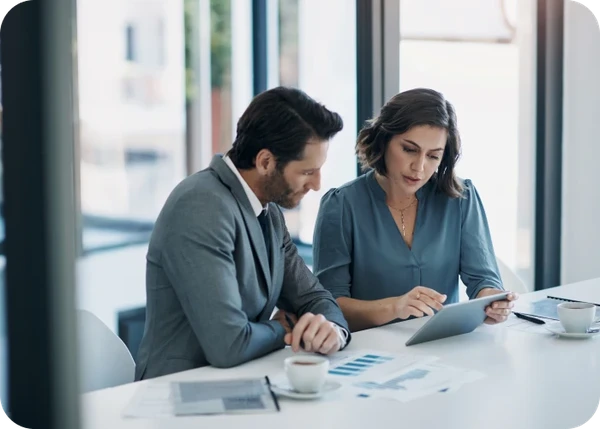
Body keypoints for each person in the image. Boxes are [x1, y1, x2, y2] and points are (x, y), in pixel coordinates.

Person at [135, 86, 351, 381]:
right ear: (265, 162)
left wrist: (330, 330)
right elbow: (229, 344)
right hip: (179, 393)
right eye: (306, 172)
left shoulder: (268, 210)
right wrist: (286, 329)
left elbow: (313, 296)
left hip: (242, 382)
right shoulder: (200, 205)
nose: (316, 184)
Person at [312, 88, 519, 333]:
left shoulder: (460, 198)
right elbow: (328, 307)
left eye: (433, 156)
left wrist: (492, 301)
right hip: (368, 352)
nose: (419, 167)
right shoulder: (341, 206)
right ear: (384, 140)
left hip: (443, 346)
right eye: (409, 149)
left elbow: (483, 280)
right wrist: (394, 307)